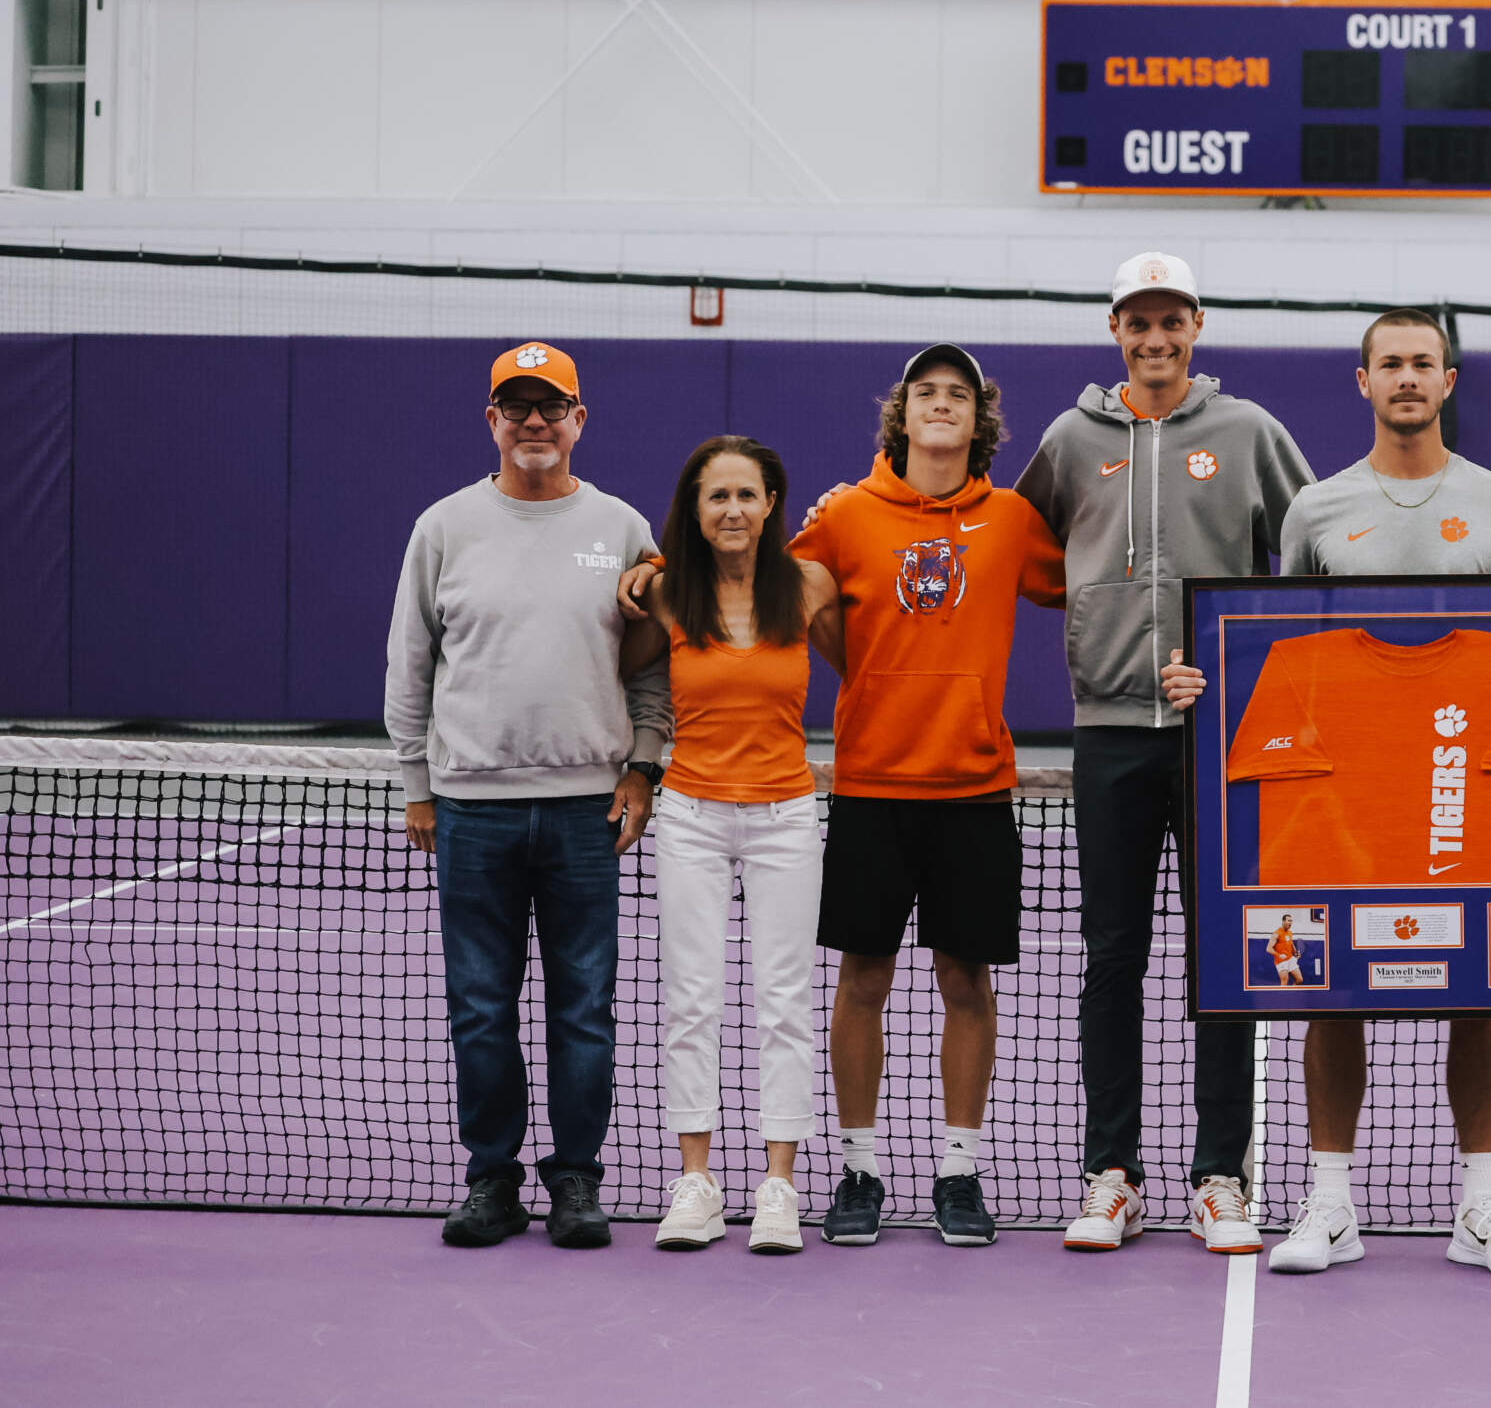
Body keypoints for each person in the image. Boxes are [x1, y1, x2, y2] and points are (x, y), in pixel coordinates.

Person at [1162, 308, 1491, 1279]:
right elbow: (1278, 640)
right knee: (1332, 991)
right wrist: (1204, 682)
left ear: (1448, 380)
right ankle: (1330, 1203)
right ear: (1364, 381)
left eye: (1425, 362)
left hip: (1468, 789)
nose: (1409, 378)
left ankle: (1481, 1205)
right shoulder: (1316, 508)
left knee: (1482, 992)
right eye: (1391, 363)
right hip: (1347, 799)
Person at [1015, 251, 1314, 1257]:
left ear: (1196, 325)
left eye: (1170, 320)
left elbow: (1309, 558)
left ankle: (1220, 1174)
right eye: (1137, 322)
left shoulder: (1248, 431)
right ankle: (1113, 1174)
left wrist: (1233, 665)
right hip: (1107, 732)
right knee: (1112, 956)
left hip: (1221, 735)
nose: (1154, 338)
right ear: (1116, 331)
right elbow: (1022, 546)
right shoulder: (1069, 439)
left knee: (1225, 955)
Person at [385, 341, 669, 1250]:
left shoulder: (622, 527)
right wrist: (418, 784)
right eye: (517, 406)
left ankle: (576, 1178)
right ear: (492, 420)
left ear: (580, 420)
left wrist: (643, 766)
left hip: (590, 812)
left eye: (551, 406)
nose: (534, 421)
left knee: (585, 1008)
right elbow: (410, 665)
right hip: (471, 809)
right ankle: (491, 1179)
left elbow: (652, 665)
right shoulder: (443, 528)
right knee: (480, 1007)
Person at [792, 345, 1065, 1249]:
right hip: (872, 784)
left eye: (958, 394)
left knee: (966, 982)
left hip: (975, 789)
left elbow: (1093, 581)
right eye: (926, 392)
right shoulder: (844, 515)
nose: (941, 403)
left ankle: (958, 1170)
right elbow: (788, 596)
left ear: (978, 421)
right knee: (862, 980)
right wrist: (863, 675)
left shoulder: (1013, 518)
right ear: (901, 415)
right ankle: (859, 1169)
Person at [618, 436, 840, 1254]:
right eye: (717, 496)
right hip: (691, 816)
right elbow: (623, 672)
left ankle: (779, 1185)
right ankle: (697, 1183)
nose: (734, 509)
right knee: (690, 1000)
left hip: (786, 817)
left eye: (747, 494)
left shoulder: (809, 584)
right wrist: (644, 573)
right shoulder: (667, 592)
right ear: (696, 508)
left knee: (784, 1001)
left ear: (771, 502)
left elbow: (864, 662)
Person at [1271, 916, 1303, 986]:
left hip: (1290, 959)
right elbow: (1268, 949)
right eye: (1289, 921)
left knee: (1299, 979)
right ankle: (1284, 993)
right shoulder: (1276, 933)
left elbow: (1290, 942)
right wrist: (1279, 955)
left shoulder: (1290, 932)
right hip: (1281, 961)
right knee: (1285, 981)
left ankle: (1291, 992)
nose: (1290, 923)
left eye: (1291, 921)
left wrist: (1295, 951)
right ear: (1283, 921)